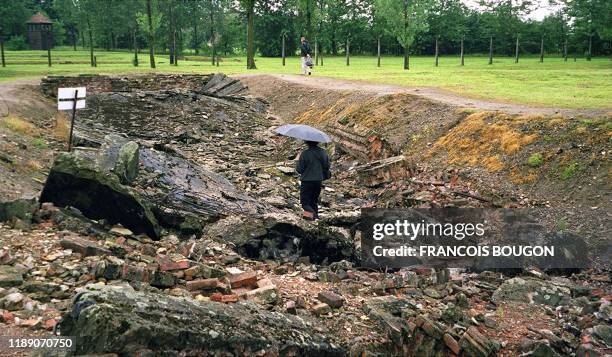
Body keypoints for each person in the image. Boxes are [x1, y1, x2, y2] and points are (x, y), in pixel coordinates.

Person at [296, 140, 330, 220]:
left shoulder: (305, 154)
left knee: (305, 204)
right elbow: (327, 166)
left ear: (307, 142)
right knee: (313, 202)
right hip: (318, 180)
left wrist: (297, 160)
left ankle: (316, 218)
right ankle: (315, 221)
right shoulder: (323, 152)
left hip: (307, 181)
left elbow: (299, 170)